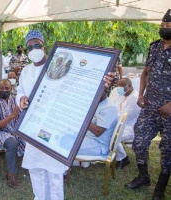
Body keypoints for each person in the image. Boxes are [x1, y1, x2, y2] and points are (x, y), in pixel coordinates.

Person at [16, 30, 116, 200]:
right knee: (36, 170)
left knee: (54, 174)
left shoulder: (61, 66)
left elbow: (84, 85)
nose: (33, 49)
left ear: (44, 47)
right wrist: (21, 99)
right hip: (33, 128)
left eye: (37, 45)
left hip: (54, 128)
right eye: (29, 47)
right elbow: (20, 91)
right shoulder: (26, 71)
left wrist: (103, 83)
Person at [125, 10, 171, 200]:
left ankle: (160, 189)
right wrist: (141, 94)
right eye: (163, 25)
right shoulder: (154, 47)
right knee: (139, 142)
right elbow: (145, 72)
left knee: (167, 151)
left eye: (168, 26)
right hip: (149, 107)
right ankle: (144, 176)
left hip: (169, 112)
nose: (165, 28)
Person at [0, 79, 25, 189]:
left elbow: (19, 117)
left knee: (29, 137)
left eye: (7, 89)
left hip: (13, 129)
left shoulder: (14, 100)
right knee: (12, 143)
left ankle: (33, 166)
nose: (4, 90)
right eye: (2, 88)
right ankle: (11, 175)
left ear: (11, 89)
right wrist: (12, 116)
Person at [76, 92, 118, 167]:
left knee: (65, 145)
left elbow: (98, 132)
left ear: (106, 89)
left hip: (98, 144)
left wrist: (82, 118)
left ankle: (62, 173)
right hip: (87, 138)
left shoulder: (109, 107)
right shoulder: (96, 103)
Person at [109, 78, 140, 169]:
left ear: (129, 86)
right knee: (104, 131)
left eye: (122, 87)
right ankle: (110, 154)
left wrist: (109, 117)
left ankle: (123, 158)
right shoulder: (122, 94)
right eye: (118, 87)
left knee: (112, 136)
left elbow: (125, 117)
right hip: (116, 123)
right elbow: (113, 107)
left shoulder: (135, 98)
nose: (119, 89)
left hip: (129, 127)